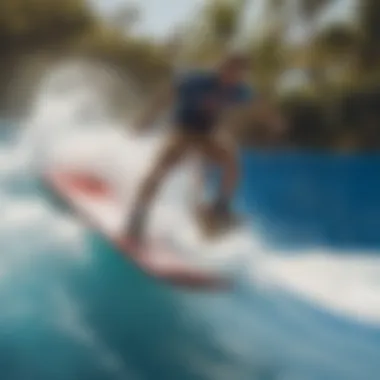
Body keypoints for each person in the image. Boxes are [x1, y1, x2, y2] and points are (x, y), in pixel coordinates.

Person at [124, 51, 285, 243]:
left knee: (231, 158)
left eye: (239, 74)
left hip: (208, 134)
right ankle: (138, 215)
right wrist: (147, 119)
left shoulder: (238, 90)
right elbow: (167, 96)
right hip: (183, 130)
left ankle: (220, 208)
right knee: (162, 169)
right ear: (221, 68)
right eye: (230, 71)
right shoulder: (197, 82)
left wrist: (275, 122)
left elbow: (258, 104)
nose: (233, 78)